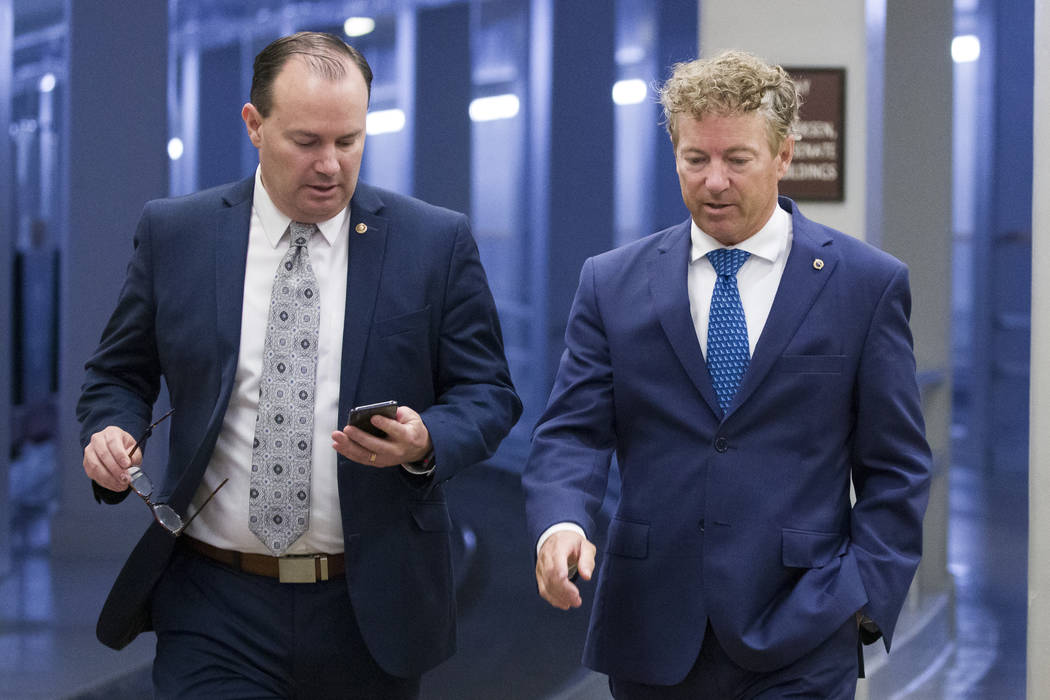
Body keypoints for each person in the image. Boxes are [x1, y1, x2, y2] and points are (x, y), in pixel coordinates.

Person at [77, 31, 521, 699]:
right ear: (255, 126)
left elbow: (488, 391)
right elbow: (119, 372)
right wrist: (110, 432)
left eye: (349, 141)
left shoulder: (433, 242)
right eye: (307, 141)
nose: (330, 165)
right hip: (214, 602)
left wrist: (427, 439)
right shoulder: (179, 234)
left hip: (370, 603)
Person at [522, 50, 931, 698]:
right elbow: (572, 431)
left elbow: (897, 466)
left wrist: (862, 597)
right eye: (695, 159)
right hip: (652, 631)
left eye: (737, 160)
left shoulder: (865, 286)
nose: (714, 182)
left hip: (805, 624)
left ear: (783, 155)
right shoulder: (612, 283)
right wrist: (562, 520)